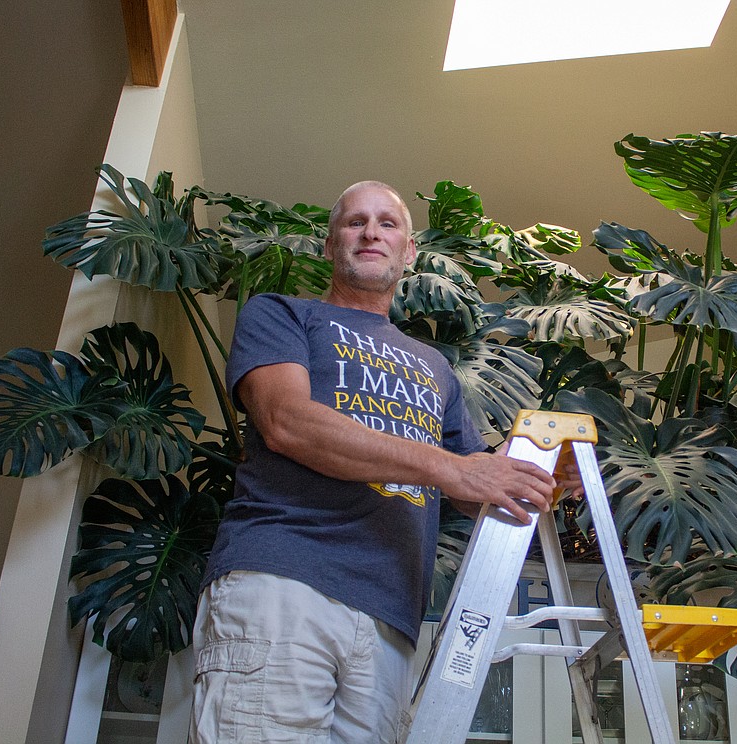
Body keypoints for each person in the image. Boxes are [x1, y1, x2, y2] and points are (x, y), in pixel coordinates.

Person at [190, 181, 558, 743]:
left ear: (409, 252)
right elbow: (287, 421)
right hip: (285, 581)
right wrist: (456, 469)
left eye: (387, 223)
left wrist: (538, 475)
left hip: (390, 618)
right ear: (330, 244)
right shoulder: (284, 315)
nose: (371, 232)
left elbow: (469, 483)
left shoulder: (435, 367)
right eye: (355, 221)